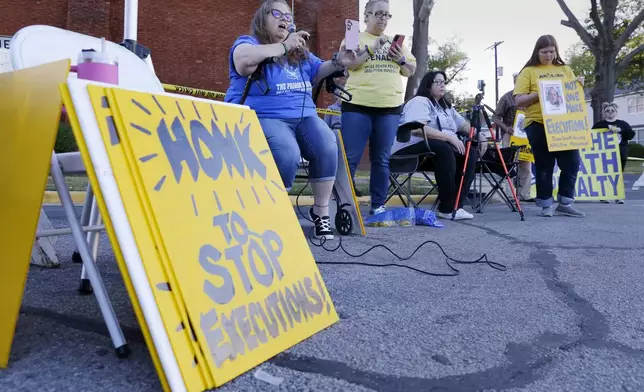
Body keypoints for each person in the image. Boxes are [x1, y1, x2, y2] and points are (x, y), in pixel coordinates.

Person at [224, 0, 356, 239]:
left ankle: (320, 212)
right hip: (265, 115)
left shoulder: (299, 52)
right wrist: (284, 46)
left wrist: (339, 62)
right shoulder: (249, 42)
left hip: (304, 116)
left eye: (288, 15)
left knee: (327, 142)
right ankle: (276, 210)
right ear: (263, 18)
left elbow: (318, 70)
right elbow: (243, 62)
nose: (285, 18)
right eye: (277, 13)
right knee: (287, 150)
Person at [339, 0, 417, 215]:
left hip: (389, 108)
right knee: (350, 158)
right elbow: (350, 64)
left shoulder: (396, 42)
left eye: (387, 15)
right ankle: (343, 206)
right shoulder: (355, 36)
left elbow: (410, 70)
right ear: (366, 16)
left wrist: (400, 59)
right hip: (357, 106)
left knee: (381, 158)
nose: (383, 18)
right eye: (378, 13)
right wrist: (372, 49)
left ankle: (378, 206)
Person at [391, 71, 487, 220]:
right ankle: (447, 208)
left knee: (471, 152)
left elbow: (462, 125)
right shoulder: (420, 101)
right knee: (444, 147)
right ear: (428, 85)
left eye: (444, 82)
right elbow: (416, 129)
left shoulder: (446, 107)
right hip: (408, 149)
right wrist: (449, 138)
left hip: (434, 151)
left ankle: (456, 206)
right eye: (438, 82)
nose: (442, 85)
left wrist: (478, 135)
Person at [514, 34, 585, 218]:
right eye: (544, 51)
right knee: (545, 165)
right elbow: (518, 100)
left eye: (552, 51)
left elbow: (572, 95)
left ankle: (565, 202)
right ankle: (546, 204)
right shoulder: (528, 71)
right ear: (537, 52)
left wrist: (578, 86)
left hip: (564, 124)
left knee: (572, 163)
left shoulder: (565, 69)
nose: (548, 55)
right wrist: (541, 92)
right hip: (537, 123)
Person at [492, 72, 534, 202]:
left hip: (526, 136)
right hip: (510, 135)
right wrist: (506, 128)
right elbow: (495, 117)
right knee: (509, 164)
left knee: (525, 165)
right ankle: (510, 195)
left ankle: (524, 195)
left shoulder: (531, 97)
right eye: (517, 80)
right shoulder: (507, 97)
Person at [592, 102, 635, 204]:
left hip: (620, 152)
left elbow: (631, 135)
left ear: (616, 112)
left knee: (619, 174)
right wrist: (606, 130)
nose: (610, 112)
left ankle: (618, 196)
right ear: (604, 113)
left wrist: (621, 130)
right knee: (604, 174)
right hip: (604, 154)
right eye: (608, 111)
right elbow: (592, 137)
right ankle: (604, 195)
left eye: (612, 111)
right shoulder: (599, 125)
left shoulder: (623, 124)